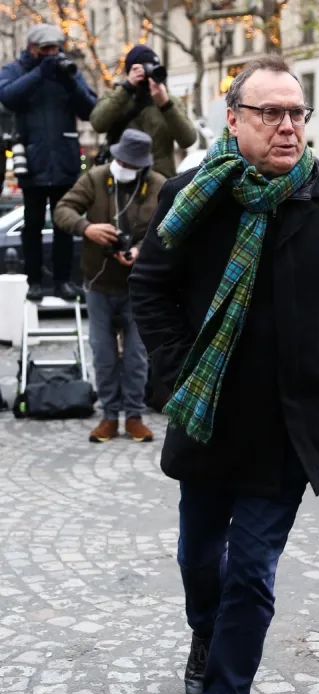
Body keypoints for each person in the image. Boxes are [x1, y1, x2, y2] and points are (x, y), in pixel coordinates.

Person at [129, 55, 319, 694]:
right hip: (209, 417)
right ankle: (205, 635)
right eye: (271, 113)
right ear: (234, 120)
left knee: (252, 577)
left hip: (290, 424)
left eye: (297, 112)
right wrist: (175, 376)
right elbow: (150, 287)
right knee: (201, 561)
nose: (289, 125)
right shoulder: (193, 193)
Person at [54, 130, 165, 442]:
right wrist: (86, 228)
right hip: (99, 284)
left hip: (137, 287)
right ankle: (108, 416)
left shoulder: (156, 185)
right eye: (121, 159)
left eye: (131, 162)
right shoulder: (95, 178)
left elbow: (166, 227)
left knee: (136, 356)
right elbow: (62, 210)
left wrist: (142, 249)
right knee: (102, 354)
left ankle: (134, 416)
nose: (123, 165)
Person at [0, 23, 96, 302]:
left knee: (64, 223)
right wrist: (39, 73)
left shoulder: (66, 71)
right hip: (31, 158)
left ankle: (63, 281)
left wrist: (70, 81)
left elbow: (91, 109)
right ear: (32, 48)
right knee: (31, 224)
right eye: (46, 50)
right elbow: (7, 97)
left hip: (64, 160)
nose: (53, 54)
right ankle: (34, 282)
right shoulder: (16, 70)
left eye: (56, 48)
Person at [90, 45, 196, 179]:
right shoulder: (116, 96)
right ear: (129, 71)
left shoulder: (169, 100)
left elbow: (188, 140)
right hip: (121, 181)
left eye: (152, 68)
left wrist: (165, 105)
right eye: (140, 69)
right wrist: (126, 89)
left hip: (159, 182)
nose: (147, 74)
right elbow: (98, 123)